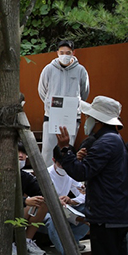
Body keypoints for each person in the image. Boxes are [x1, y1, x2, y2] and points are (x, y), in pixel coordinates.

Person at [56, 95, 128, 255]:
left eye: (89, 116)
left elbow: (81, 173)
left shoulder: (106, 142)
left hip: (107, 217)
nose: (87, 120)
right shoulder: (113, 140)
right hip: (117, 215)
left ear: (98, 120)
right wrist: (78, 157)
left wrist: (66, 149)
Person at [35, 145, 90, 255]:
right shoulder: (46, 175)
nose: (64, 168)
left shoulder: (71, 172)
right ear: (54, 160)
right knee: (53, 220)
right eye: (61, 164)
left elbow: (84, 194)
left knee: (89, 211)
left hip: (66, 211)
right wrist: (54, 201)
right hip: (46, 213)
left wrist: (72, 201)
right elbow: (37, 198)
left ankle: (72, 239)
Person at [38, 39, 90, 167]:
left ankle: (66, 175)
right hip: (51, 115)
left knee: (67, 149)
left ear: (73, 53)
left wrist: (76, 104)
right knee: (48, 150)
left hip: (71, 116)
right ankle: (47, 177)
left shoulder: (80, 70)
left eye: (68, 53)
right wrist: (50, 104)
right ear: (57, 53)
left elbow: (85, 92)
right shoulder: (49, 69)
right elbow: (42, 90)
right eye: (62, 52)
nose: (64, 55)